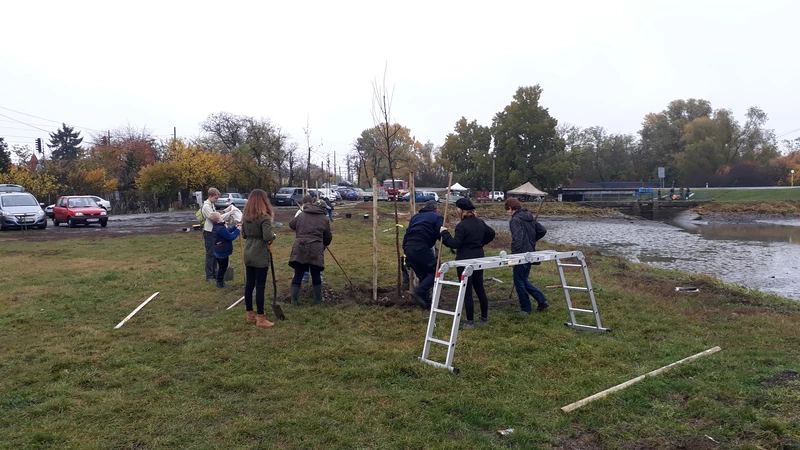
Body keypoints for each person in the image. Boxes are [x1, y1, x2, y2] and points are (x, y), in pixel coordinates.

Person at [440, 198, 496, 327]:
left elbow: (455, 244)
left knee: (466, 289)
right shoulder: (480, 222)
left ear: (460, 211)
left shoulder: (461, 226)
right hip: (478, 257)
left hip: (464, 260)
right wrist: (481, 243)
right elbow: (491, 234)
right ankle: (484, 318)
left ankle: (470, 320)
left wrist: (444, 233)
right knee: (479, 287)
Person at [505, 197, 549, 314]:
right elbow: (542, 230)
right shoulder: (529, 217)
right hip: (530, 252)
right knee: (523, 279)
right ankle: (542, 300)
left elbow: (517, 240)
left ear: (511, 208)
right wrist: (531, 241)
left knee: (519, 281)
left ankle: (525, 308)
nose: (507, 213)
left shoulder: (515, 220)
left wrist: (513, 259)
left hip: (521, 255)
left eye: (507, 210)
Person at [241, 189, 276, 328]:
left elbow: (243, 234)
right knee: (260, 286)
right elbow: (267, 236)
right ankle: (261, 318)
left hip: (248, 252)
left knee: (249, 284)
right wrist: (274, 236)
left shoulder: (246, 217)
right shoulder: (265, 217)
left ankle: (250, 314)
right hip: (260, 253)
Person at [289, 195, 332, 305]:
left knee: (298, 273)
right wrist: (323, 245)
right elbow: (328, 237)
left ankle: (294, 300)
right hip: (316, 248)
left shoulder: (302, 215)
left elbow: (292, 225)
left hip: (300, 246)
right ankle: (317, 300)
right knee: (316, 273)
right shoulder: (324, 218)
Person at [402, 200, 444, 309]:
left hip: (408, 247)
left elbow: (408, 231)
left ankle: (425, 304)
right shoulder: (437, 217)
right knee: (436, 270)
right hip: (420, 247)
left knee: (423, 275)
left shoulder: (416, 217)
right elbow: (440, 234)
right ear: (436, 209)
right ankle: (418, 291)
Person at [210, 212, 240, 288]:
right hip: (222, 252)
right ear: (218, 220)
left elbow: (226, 232)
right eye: (220, 217)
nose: (222, 218)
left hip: (218, 251)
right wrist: (238, 231)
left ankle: (220, 280)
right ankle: (219, 282)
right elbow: (230, 237)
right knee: (222, 267)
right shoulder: (221, 228)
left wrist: (234, 227)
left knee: (221, 267)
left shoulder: (217, 227)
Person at [202, 188, 221, 282]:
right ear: (210, 196)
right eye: (215, 198)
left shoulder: (212, 205)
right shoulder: (206, 206)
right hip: (208, 231)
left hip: (213, 231)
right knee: (210, 254)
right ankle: (209, 276)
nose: (216, 200)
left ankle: (215, 273)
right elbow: (213, 218)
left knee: (215, 254)